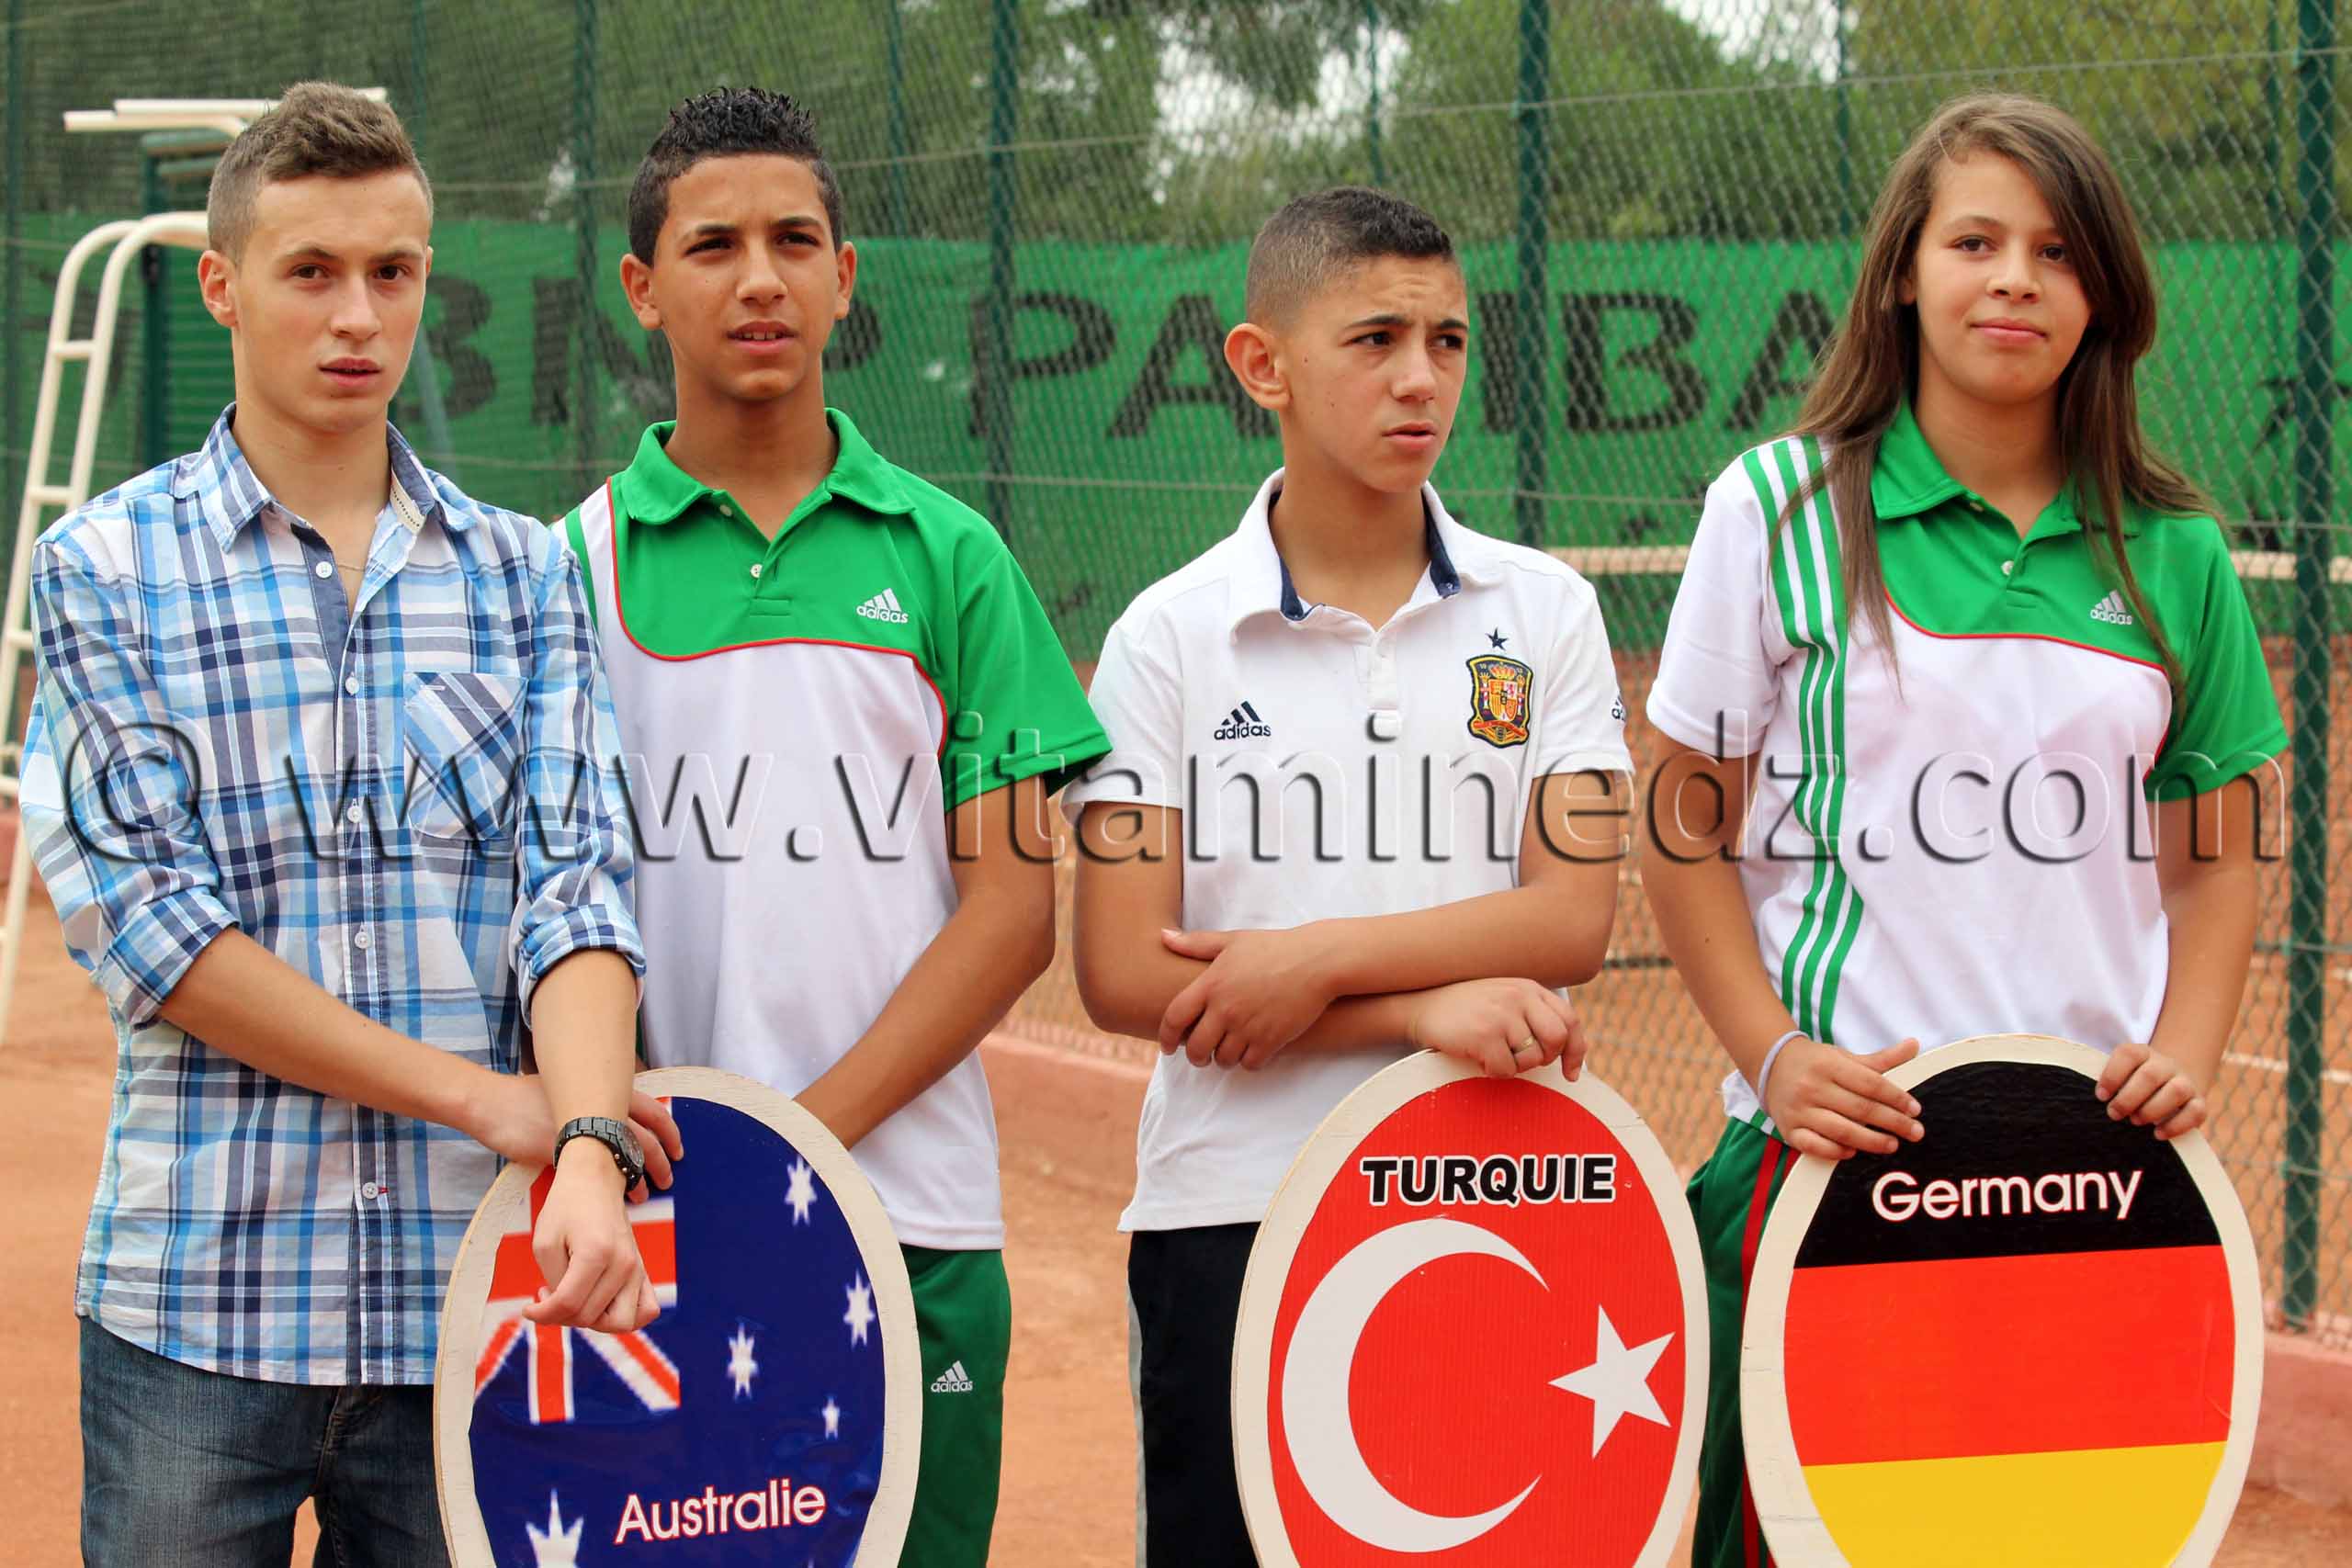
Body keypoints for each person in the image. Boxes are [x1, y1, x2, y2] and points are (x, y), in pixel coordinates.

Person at [19, 83, 679, 1567]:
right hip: (198, 1316)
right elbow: (156, 938)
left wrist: (581, 1142)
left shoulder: (523, 574)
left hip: (473, 1312)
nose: (357, 316)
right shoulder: (102, 570)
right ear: (224, 287)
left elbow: (574, 889)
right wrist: (482, 1099)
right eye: (310, 272)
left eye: (393, 272)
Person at [1641, 93, 2288, 1568]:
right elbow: (1681, 822)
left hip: (2087, 1184)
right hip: (1826, 1166)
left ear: (2103, 297)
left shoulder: (2176, 550)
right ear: (1902, 274)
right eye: (1976, 240)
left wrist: (2183, 1057)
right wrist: (1773, 1055)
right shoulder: (1779, 507)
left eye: (2056, 252)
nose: (2013, 279)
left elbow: (2222, 851)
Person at [558, 86, 1110, 1568]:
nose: (760, 278)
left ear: (846, 277)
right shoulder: (570, 568)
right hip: (649, 1230)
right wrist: (645, 1148)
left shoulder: (953, 558)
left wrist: (801, 1140)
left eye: (797, 240)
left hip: (908, 1229)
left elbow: (1011, 913)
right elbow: (556, 906)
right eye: (714, 244)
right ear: (642, 289)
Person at [1062, 186, 1634, 1566]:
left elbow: (1570, 916)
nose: (1420, 378)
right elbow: (1126, 971)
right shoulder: (1164, 640)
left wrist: (1318, 962)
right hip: (1232, 1209)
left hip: (1493, 1195)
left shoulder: (1545, 610)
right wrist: (1417, 1011)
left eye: (1447, 340)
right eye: (1374, 338)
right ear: (1262, 365)